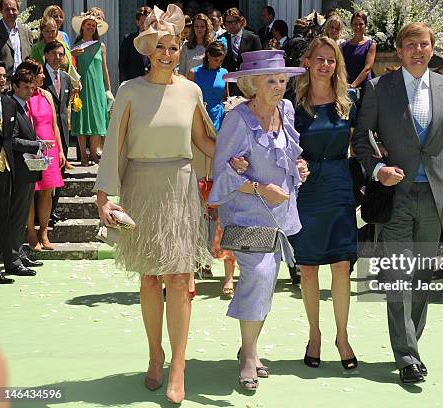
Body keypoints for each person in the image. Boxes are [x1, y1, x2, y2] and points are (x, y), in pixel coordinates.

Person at [93, 5, 221, 403]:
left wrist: (248, 153)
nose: (167, 53)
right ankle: (155, 355)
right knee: (150, 278)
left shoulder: (191, 90)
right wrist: (103, 197)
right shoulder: (131, 90)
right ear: (149, 49)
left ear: (181, 49)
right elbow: (113, 143)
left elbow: (206, 142)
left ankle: (178, 366)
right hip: (142, 189)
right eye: (161, 47)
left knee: (180, 279)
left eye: (174, 46)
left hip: (181, 190)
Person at [352, 23, 443, 384]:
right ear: (399, 50)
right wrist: (377, 169)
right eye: (410, 45)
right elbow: (361, 139)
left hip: (434, 198)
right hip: (395, 196)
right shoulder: (379, 89)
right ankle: (407, 354)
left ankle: (410, 343)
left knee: (421, 274)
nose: (418, 50)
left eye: (423, 44)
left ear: (433, 48)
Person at [207, 49, 307, 391]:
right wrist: (261, 187)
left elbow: (290, 156)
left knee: (265, 281)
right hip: (247, 213)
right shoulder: (237, 120)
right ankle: (249, 356)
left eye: (282, 80)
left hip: (279, 215)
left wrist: (298, 170)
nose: (279, 87)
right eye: (271, 81)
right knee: (262, 274)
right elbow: (221, 171)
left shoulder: (287, 111)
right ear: (252, 84)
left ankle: (248, 348)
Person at [288, 37, 358, 370]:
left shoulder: (350, 100)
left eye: (331, 60)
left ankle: (341, 336)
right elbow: (283, 146)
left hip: (339, 185)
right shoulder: (293, 102)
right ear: (308, 61)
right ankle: (314, 334)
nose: (325, 65)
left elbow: (366, 140)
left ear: (338, 65)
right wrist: (294, 164)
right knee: (310, 267)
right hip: (307, 191)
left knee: (342, 264)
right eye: (320, 59)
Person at [187, 40, 235, 295]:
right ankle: (198, 258)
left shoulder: (224, 74)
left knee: (217, 196)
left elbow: (227, 101)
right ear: (208, 56)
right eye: (215, 59)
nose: (218, 63)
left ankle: (216, 256)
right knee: (197, 197)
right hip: (198, 126)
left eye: (221, 59)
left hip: (220, 126)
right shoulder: (194, 73)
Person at [17, 60, 65, 252]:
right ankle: (30, 232)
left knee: (48, 191)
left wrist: (61, 150)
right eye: (40, 74)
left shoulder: (46, 95)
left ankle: (44, 231)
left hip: (50, 149)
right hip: (31, 149)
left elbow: (54, 125)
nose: (44, 76)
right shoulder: (23, 96)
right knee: (30, 192)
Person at [3, 69, 44, 279]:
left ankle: (18, 253)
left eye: (32, 87)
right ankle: (12, 259)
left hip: (28, 169)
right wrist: (37, 145)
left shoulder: (25, 107)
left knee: (21, 215)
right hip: (18, 169)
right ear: (15, 87)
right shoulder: (11, 107)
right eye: (25, 87)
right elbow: (12, 140)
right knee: (16, 215)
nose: (30, 91)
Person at [70, 9, 111, 166]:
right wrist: (73, 54)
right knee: (82, 120)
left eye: (93, 25)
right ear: (82, 27)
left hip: (98, 87)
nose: (91, 27)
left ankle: (93, 154)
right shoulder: (76, 46)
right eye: (88, 24)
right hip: (81, 87)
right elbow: (69, 66)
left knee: (97, 120)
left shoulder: (101, 46)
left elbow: (104, 68)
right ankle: (83, 156)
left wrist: (108, 88)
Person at [42, 41, 74, 226]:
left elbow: (65, 107)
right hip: (44, 131)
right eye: (54, 53)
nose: (57, 57)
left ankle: (52, 210)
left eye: (61, 54)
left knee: (60, 172)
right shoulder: (39, 76)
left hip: (62, 131)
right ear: (46, 55)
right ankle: (42, 213)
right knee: (45, 174)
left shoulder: (66, 77)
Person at [0, 60, 19, 284]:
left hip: (5, 167)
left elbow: (10, 137)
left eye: (4, 76)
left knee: (2, 216)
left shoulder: (9, 103)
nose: (2, 80)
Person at [341, 11, 376, 92]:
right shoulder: (344, 46)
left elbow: (367, 68)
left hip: (365, 86)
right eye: (355, 24)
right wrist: (345, 84)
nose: (358, 27)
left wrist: (353, 85)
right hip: (347, 85)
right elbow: (342, 67)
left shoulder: (371, 44)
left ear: (365, 25)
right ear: (351, 25)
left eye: (361, 24)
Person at [0, 0, 32, 78]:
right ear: (1, 10)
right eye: (7, 9)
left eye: (13, 9)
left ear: (18, 11)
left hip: (23, 83)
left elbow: (29, 58)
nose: (11, 13)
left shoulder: (26, 32)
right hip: (2, 84)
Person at [220, 8, 261, 74]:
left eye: (233, 22)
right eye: (227, 23)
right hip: (228, 79)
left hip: (248, 78)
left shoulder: (253, 38)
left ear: (240, 21)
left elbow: (259, 61)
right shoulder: (221, 39)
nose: (230, 25)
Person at [119, 6, 152, 82]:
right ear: (137, 22)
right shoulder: (128, 39)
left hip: (152, 83)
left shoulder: (157, 40)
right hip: (133, 82)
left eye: (148, 23)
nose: (145, 26)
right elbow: (122, 65)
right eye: (143, 23)